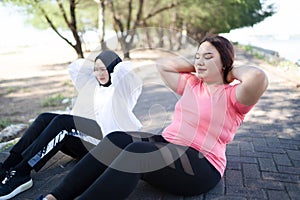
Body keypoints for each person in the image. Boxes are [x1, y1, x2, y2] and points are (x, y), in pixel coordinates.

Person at [37, 35, 268, 200]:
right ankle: (55, 196)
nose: (199, 61)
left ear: (225, 62)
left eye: (208, 56)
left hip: (201, 165)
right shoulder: (192, 84)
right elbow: (164, 64)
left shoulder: (233, 96)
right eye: (197, 56)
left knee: (136, 154)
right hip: (167, 144)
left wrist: (227, 71)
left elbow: (257, 76)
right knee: (116, 139)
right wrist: (200, 65)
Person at [0, 50, 143, 200]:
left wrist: (112, 63)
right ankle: (9, 165)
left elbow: (125, 71)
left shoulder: (123, 89)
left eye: (104, 69)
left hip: (110, 147)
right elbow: (76, 68)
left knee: (64, 123)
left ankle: (22, 172)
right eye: (96, 69)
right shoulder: (96, 88)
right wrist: (97, 64)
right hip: (89, 144)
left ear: (113, 68)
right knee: (45, 118)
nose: (99, 74)